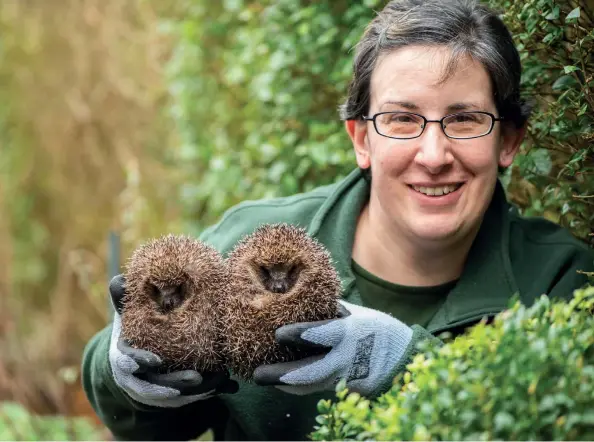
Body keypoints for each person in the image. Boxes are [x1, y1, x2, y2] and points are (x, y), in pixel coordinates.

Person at [82, 0, 594, 440]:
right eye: (401, 119)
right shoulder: (246, 242)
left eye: (465, 119)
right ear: (360, 139)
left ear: (508, 140)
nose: (434, 154)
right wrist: (122, 368)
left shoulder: (565, 283)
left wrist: (405, 364)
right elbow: (143, 426)